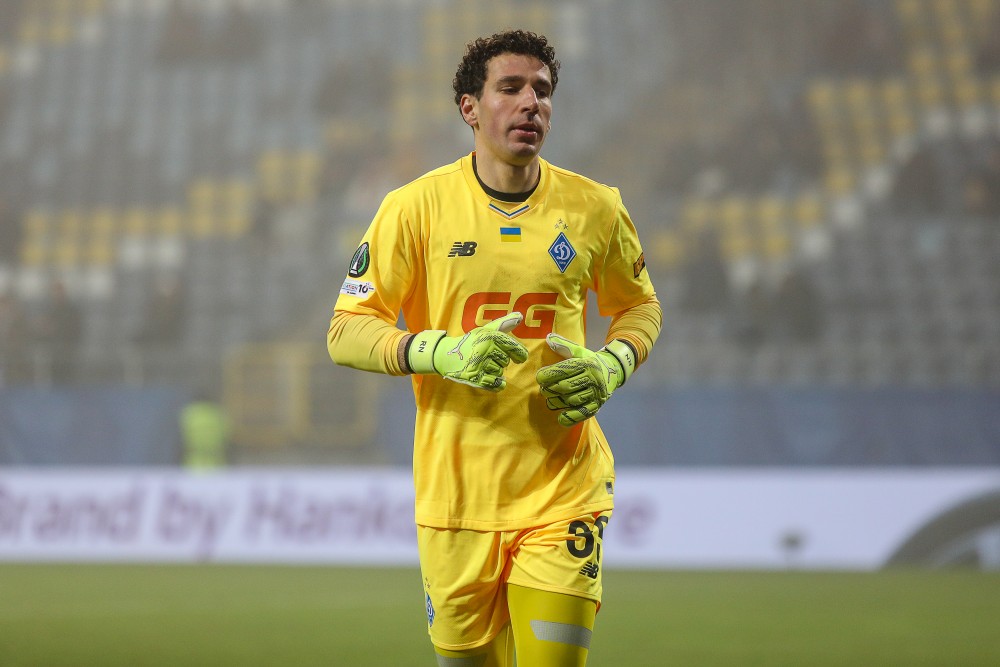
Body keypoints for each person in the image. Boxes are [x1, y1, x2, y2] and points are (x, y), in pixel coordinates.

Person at [327, 30, 661, 666]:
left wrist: (612, 363)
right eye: (510, 88)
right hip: (455, 500)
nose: (531, 102)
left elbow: (640, 306)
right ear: (470, 108)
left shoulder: (596, 207)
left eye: (543, 91)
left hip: (563, 489)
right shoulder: (413, 209)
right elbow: (346, 330)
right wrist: (440, 353)